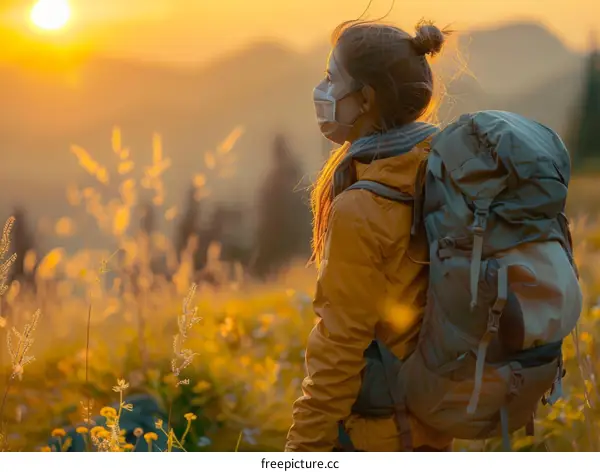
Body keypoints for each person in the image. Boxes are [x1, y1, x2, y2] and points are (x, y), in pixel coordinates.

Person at [284, 19, 454, 452]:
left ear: (366, 98)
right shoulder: (437, 167)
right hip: (431, 427)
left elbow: (338, 350)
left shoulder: (361, 209)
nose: (321, 91)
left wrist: (301, 453)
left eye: (330, 79)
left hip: (379, 435)